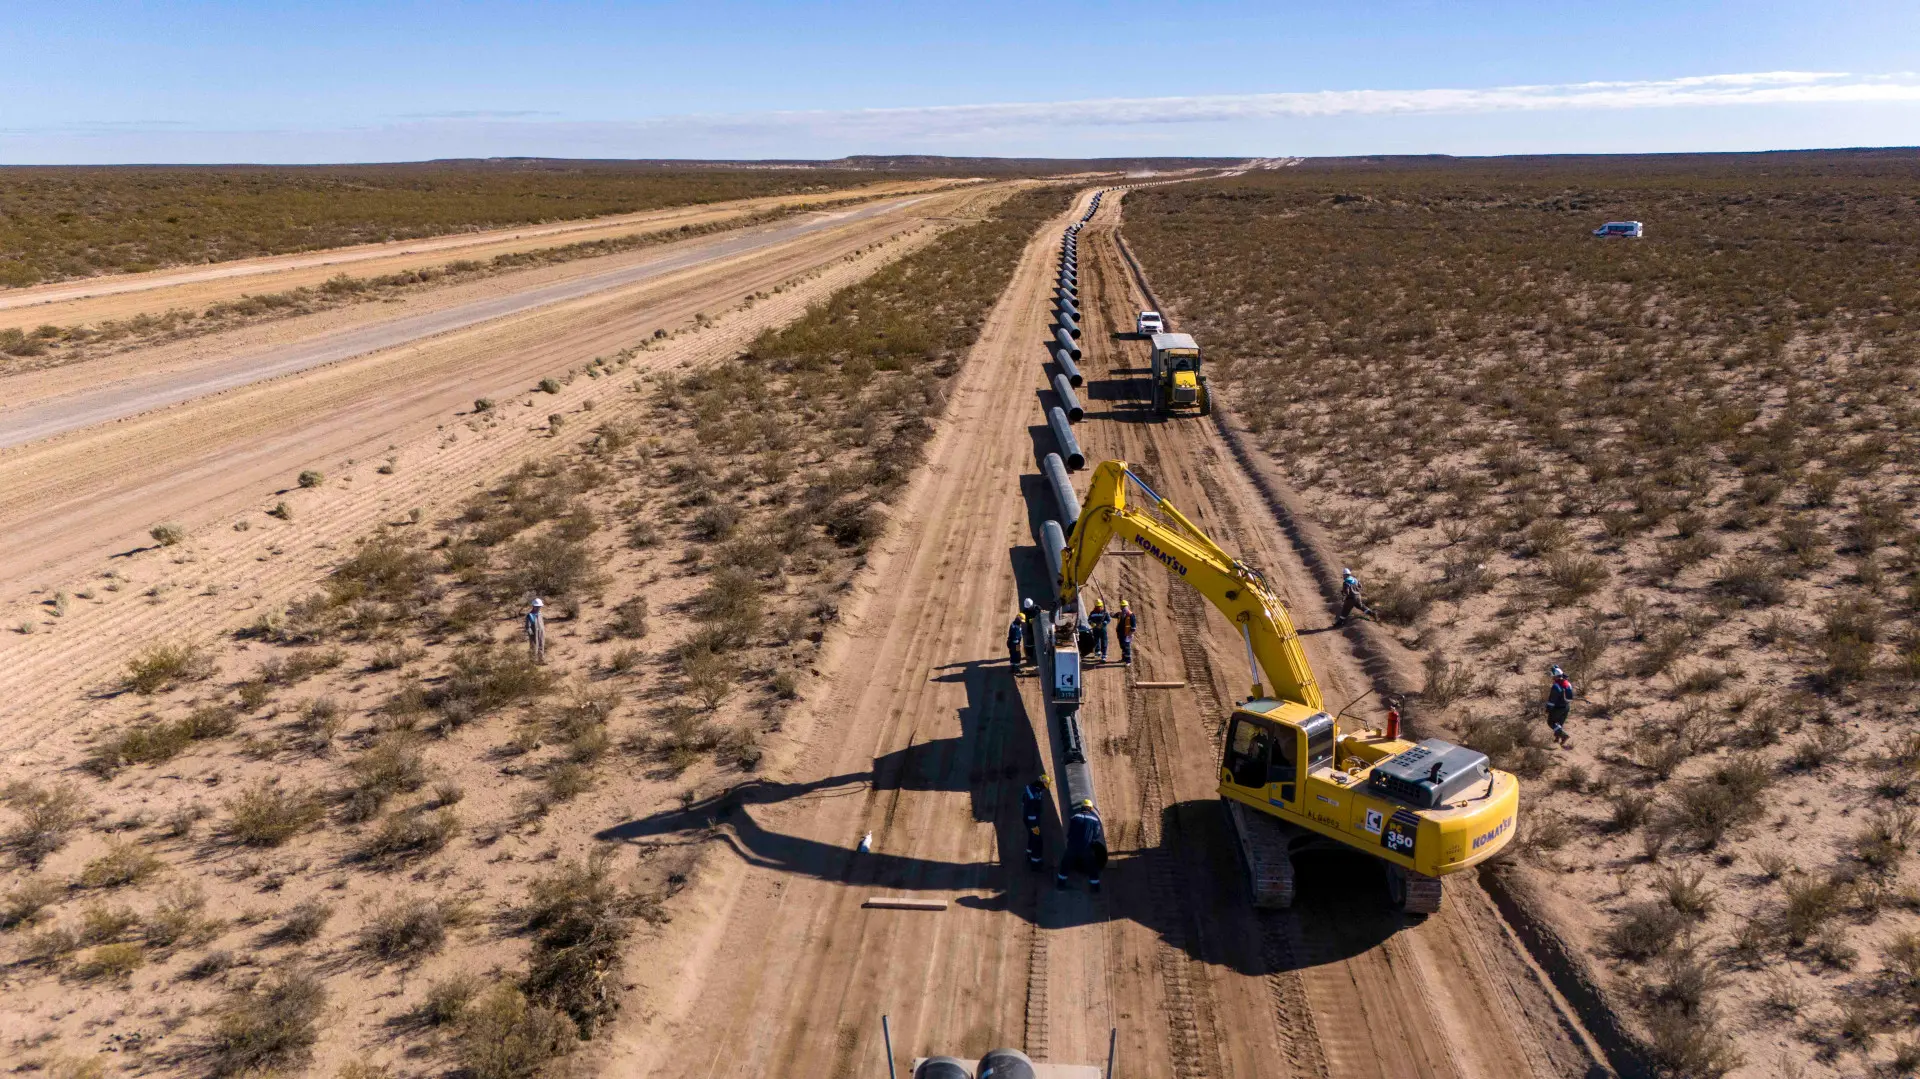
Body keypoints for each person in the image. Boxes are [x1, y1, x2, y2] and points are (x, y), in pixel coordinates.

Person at [1058, 799, 1109, 892]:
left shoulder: (1074, 817)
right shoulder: (1094, 819)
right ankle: (1095, 888)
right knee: (1092, 867)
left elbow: (1069, 833)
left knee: (1065, 864)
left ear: (1081, 807)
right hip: (1086, 847)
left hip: (1073, 847)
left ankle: (1060, 885)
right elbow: (1096, 834)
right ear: (1090, 808)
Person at [1020, 774, 1051, 871]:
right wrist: (1035, 825)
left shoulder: (1030, 788)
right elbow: (1034, 809)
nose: (1044, 789)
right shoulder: (1035, 795)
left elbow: (1023, 801)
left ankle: (1029, 854)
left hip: (1028, 818)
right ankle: (1035, 863)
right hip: (1032, 821)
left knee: (1032, 837)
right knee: (1038, 842)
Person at [1546, 666, 1576, 747]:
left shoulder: (1556, 686)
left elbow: (1552, 700)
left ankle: (1564, 736)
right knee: (1559, 724)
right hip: (1566, 707)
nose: (1552, 677)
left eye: (1553, 676)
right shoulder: (1567, 683)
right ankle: (1557, 739)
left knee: (1551, 722)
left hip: (1558, 708)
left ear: (1556, 676)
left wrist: (1548, 708)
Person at [524, 598, 547, 664]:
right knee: (534, 647)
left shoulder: (540, 614)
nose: (538, 608)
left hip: (541, 632)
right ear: (533, 606)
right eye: (537, 606)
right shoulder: (530, 615)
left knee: (541, 645)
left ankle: (541, 660)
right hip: (534, 634)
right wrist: (531, 635)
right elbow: (528, 627)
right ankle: (532, 662)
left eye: (539, 607)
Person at [1115, 599, 1137, 665]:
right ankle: (1123, 659)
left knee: (1127, 647)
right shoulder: (1120, 614)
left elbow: (1133, 627)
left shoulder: (1131, 615)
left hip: (1127, 634)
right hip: (1120, 633)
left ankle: (1128, 661)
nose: (1123, 608)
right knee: (1123, 646)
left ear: (1127, 606)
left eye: (1124, 606)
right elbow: (1113, 615)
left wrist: (1130, 634)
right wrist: (1107, 613)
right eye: (1122, 606)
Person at [1020, 598, 1039, 667]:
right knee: (1029, 643)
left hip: (1038, 628)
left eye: (1030, 607)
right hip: (1030, 629)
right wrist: (1030, 621)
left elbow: (1041, 615)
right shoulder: (1025, 611)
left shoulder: (1037, 608)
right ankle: (1030, 655)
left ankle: (1039, 656)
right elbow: (1024, 620)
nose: (1029, 608)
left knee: (1039, 643)